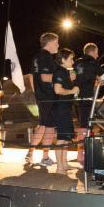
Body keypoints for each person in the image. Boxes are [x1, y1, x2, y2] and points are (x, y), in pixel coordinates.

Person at [26, 32, 60, 165]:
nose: (58, 45)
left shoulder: (37, 56)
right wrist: (63, 77)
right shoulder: (46, 57)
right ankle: (44, 157)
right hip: (48, 96)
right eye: (56, 42)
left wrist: (37, 93)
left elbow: (31, 76)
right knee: (48, 127)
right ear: (50, 42)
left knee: (43, 125)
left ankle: (31, 153)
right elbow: (45, 77)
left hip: (42, 96)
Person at [73, 42, 102, 165]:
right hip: (87, 97)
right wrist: (99, 81)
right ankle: (84, 155)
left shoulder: (76, 62)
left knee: (81, 126)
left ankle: (80, 154)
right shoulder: (92, 62)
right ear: (92, 52)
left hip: (75, 97)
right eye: (96, 52)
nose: (98, 54)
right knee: (86, 126)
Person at [52, 48, 80, 174]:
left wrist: (72, 82)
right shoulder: (59, 72)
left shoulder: (64, 72)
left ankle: (63, 163)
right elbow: (57, 90)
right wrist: (72, 91)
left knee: (66, 138)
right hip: (61, 109)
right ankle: (59, 167)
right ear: (63, 60)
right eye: (71, 59)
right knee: (62, 138)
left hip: (66, 109)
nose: (73, 62)